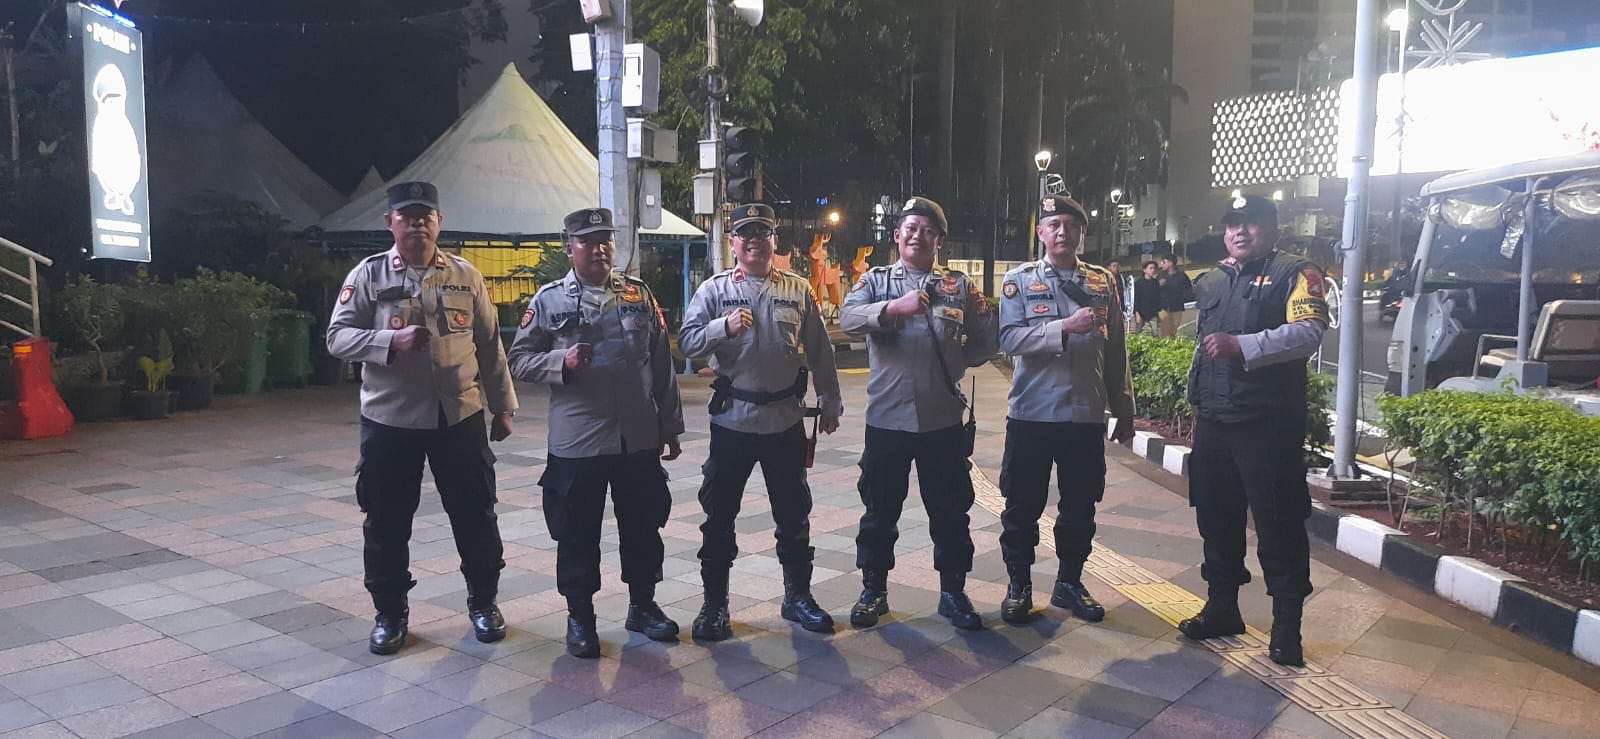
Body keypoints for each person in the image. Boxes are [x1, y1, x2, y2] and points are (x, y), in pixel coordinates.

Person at [326, 181, 518, 655]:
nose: (417, 223)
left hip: (459, 415)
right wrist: (388, 342)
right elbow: (337, 337)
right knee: (387, 520)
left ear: (439, 221)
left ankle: (484, 603)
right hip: (391, 419)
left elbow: (489, 344)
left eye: (425, 215)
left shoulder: (466, 275)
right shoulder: (369, 275)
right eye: (407, 216)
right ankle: (390, 614)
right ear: (389, 223)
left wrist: (503, 406)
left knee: (476, 514)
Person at [506, 207, 685, 659]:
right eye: (587, 241)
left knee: (643, 527)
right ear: (571, 249)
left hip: (636, 437)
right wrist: (559, 363)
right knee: (577, 532)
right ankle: (580, 617)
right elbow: (518, 360)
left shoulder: (638, 294)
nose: (599, 249)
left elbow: (661, 362)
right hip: (578, 440)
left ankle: (643, 606)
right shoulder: (548, 300)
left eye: (606, 240)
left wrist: (669, 424)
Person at [1176, 195, 1330, 667]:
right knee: (1216, 518)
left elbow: (1309, 331)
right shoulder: (1215, 278)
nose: (1239, 232)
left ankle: (1287, 629)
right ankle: (1222, 608)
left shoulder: (1295, 273)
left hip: (1267, 424)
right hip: (1215, 420)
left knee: (1278, 524)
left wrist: (1243, 345)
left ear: (1273, 230)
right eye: (1232, 225)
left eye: (1251, 223)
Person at [678, 203, 844, 640]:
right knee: (719, 517)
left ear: (774, 241)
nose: (753, 240)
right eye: (745, 233)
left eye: (762, 233)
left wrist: (830, 401)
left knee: (794, 515)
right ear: (733, 242)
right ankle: (715, 604)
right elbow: (688, 343)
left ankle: (798, 597)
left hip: (784, 422)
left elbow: (820, 349)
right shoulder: (714, 291)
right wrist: (723, 328)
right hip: (732, 422)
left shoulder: (798, 289)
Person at [839, 196, 999, 630]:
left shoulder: (959, 287)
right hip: (887, 419)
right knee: (879, 511)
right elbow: (847, 319)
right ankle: (874, 590)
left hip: (941, 419)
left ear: (939, 241)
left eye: (928, 230)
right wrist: (893, 309)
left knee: (950, 512)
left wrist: (954, 361)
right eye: (910, 228)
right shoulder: (875, 281)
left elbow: (987, 339)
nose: (917, 235)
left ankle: (953, 592)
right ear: (897, 236)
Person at [995, 195, 1136, 625]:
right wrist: (1063, 328)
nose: (1062, 232)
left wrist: (1123, 406)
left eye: (1071, 225)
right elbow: (1009, 340)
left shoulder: (1103, 282)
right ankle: (1019, 585)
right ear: (1041, 232)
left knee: (1080, 507)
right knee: (1022, 506)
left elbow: (1116, 349)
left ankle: (1069, 582)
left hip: (1084, 415)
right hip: (1032, 414)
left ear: (1082, 234)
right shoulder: (1018, 281)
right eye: (1053, 225)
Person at [1157, 255, 1194, 338]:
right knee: (1164, 327)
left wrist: (1183, 298)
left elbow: (1188, 289)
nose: (1162, 264)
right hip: (1163, 307)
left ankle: (1172, 343)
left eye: (1164, 262)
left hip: (1177, 307)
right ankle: (1164, 343)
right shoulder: (1160, 276)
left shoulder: (1181, 276)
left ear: (1171, 263)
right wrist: (1158, 285)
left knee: (1174, 327)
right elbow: (1153, 290)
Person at [1133, 261, 1163, 335]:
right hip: (1141, 312)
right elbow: (1135, 299)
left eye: (1154, 268)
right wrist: (1136, 313)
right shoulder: (1138, 283)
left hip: (1153, 313)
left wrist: (1158, 313)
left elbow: (1157, 299)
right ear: (1144, 270)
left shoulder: (1155, 283)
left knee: (1156, 333)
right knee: (1138, 333)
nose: (1153, 270)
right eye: (1150, 268)